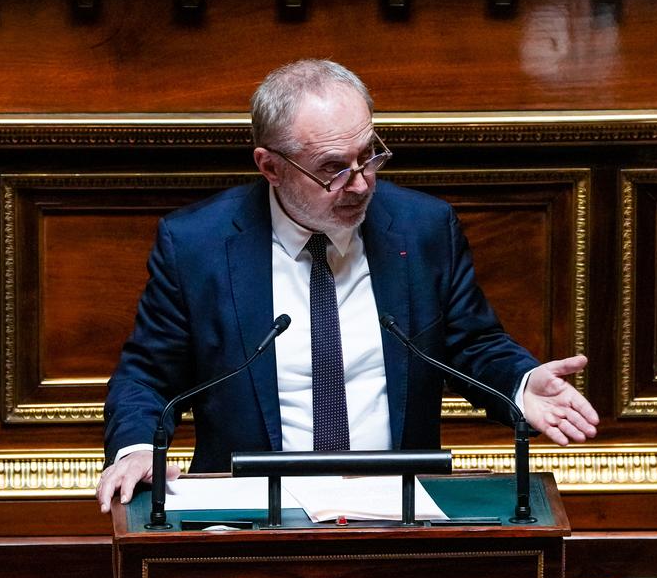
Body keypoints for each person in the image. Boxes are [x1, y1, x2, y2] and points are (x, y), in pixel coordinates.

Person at [96, 60, 598, 511]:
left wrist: (520, 383)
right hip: (253, 513)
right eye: (333, 169)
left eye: (368, 155)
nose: (359, 183)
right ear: (269, 166)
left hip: (397, 509)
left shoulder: (423, 228)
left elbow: (473, 344)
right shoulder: (196, 246)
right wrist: (138, 447)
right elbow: (147, 376)